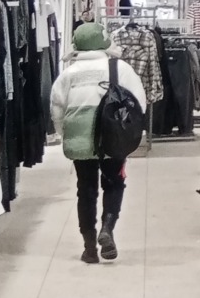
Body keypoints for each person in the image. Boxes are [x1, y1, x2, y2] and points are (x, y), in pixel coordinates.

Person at [49, 23, 146, 264]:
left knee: (86, 189)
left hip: (79, 138)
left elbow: (56, 108)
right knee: (114, 183)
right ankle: (108, 228)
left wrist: (64, 132)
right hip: (112, 136)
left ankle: (89, 247)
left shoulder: (69, 73)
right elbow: (139, 103)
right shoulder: (120, 68)